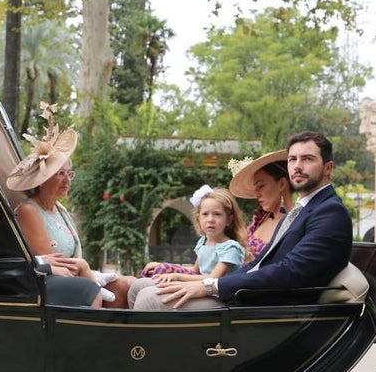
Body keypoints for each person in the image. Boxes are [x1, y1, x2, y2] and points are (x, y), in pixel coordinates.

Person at [134, 131, 352, 311]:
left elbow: (289, 272)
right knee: (139, 286)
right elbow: (257, 265)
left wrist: (210, 286)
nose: (297, 166)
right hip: (248, 292)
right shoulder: (303, 209)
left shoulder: (330, 212)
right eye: (292, 159)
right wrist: (202, 282)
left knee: (149, 298)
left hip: (269, 305)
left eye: (307, 159)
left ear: (328, 168)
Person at [6, 106, 133, 308]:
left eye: (69, 174)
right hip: (47, 281)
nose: (67, 180)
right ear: (43, 178)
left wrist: (87, 271)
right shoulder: (29, 210)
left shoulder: (60, 210)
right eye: (60, 174)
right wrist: (84, 270)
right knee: (89, 291)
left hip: (73, 274)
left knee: (127, 285)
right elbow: (54, 266)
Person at [129, 186, 246, 308]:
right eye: (205, 214)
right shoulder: (203, 242)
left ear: (229, 220)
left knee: (147, 296)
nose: (210, 219)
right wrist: (167, 268)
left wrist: (177, 276)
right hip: (199, 287)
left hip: (218, 296)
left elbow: (212, 279)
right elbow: (195, 271)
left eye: (217, 214)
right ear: (198, 218)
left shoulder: (231, 248)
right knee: (138, 285)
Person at [227, 150, 294, 263]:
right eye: (255, 188)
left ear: (282, 184)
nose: (257, 193)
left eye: (261, 186)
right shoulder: (260, 218)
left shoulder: (295, 222)